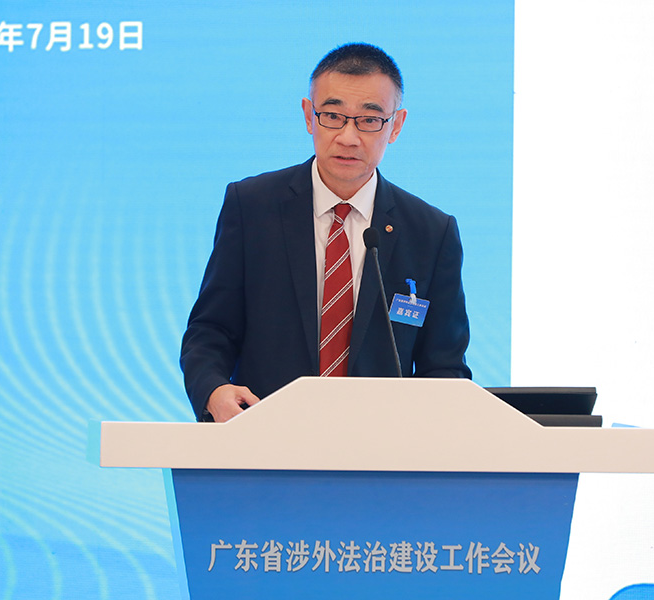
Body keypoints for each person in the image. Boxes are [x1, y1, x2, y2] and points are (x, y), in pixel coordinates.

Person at [180, 43, 471, 422]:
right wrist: (213, 391)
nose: (348, 137)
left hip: (381, 443)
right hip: (265, 435)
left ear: (396, 126)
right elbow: (210, 330)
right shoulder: (251, 206)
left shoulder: (431, 232)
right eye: (333, 116)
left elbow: (444, 367)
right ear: (309, 116)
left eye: (369, 120)